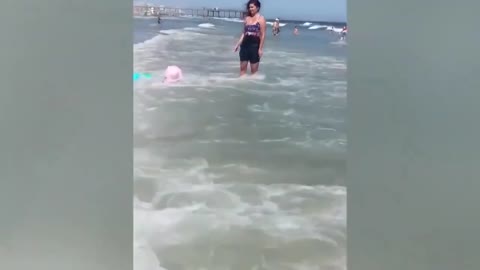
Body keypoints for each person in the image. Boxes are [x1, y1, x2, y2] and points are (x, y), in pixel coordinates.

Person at [234, 0, 267, 76]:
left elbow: (263, 35)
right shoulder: (247, 18)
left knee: (254, 72)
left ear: (257, 8)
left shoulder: (261, 19)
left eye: (252, 7)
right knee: (242, 70)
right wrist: (238, 44)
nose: (250, 9)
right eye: (249, 7)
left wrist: (260, 49)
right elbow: (244, 33)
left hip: (254, 47)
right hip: (244, 46)